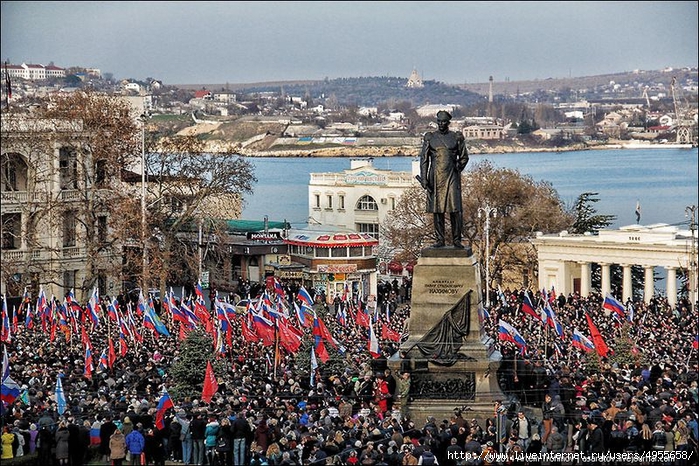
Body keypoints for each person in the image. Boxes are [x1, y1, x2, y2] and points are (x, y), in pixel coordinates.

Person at [418, 110, 469, 249]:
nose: (441, 124)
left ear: (448, 123)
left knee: (455, 209)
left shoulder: (456, 137)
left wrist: (458, 166)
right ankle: (440, 239)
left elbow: (464, 156)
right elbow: (424, 159)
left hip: (452, 176)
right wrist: (424, 178)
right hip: (435, 177)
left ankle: (457, 239)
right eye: (439, 121)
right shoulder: (430, 137)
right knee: (438, 210)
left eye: (444, 122)